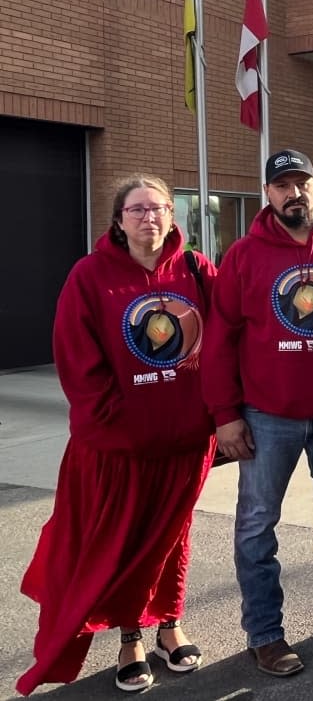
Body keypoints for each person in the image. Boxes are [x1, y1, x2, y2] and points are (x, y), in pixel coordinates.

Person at [17, 175, 216, 695]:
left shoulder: (197, 271)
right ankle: (131, 637)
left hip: (188, 443)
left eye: (158, 208)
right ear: (119, 219)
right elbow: (80, 368)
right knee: (127, 543)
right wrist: (124, 428)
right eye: (137, 209)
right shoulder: (90, 277)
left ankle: (170, 625)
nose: (148, 218)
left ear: (173, 216)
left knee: (172, 539)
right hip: (123, 449)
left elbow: (229, 339)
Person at [202, 148, 313, 677]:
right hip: (265, 417)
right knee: (256, 528)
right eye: (282, 186)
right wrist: (225, 415)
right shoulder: (244, 257)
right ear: (268, 194)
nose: (292, 193)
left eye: (301, 183)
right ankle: (265, 635)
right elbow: (219, 341)